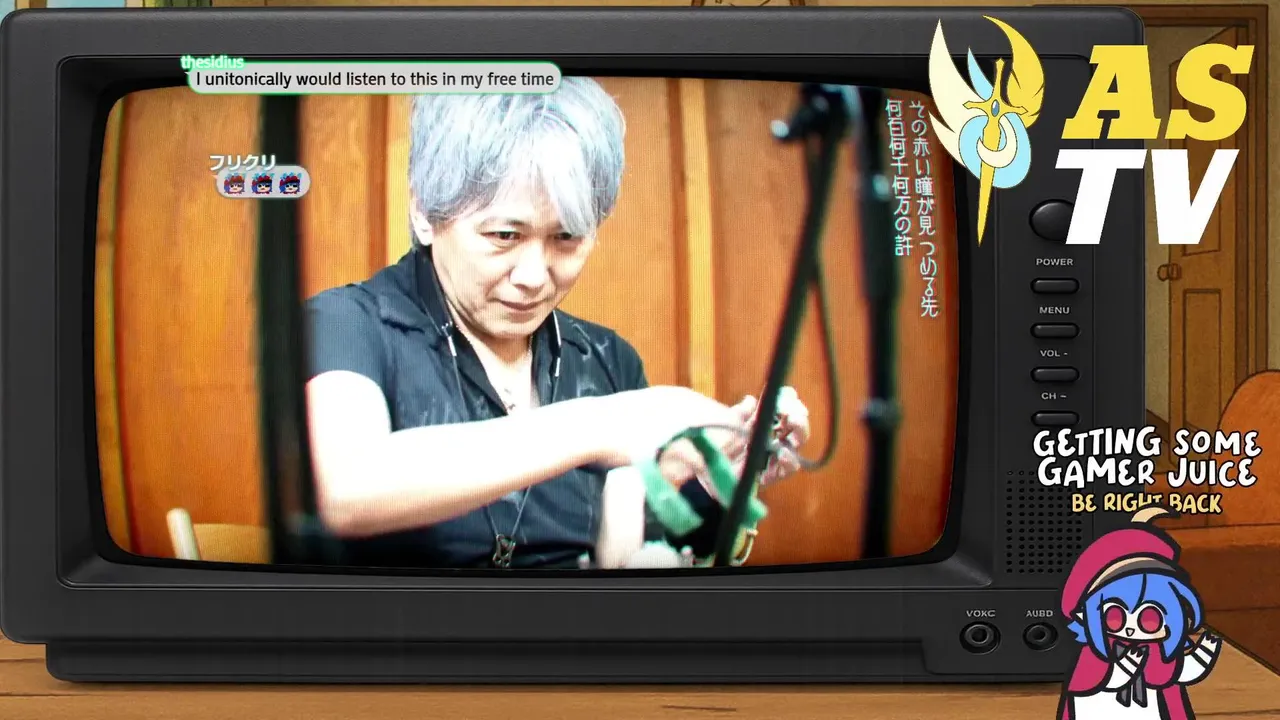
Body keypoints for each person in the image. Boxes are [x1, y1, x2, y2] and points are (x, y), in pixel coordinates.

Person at [304, 77, 811, 570]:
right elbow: (346, 489)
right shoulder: (346, 324)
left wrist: (720, 479)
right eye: (504, 235)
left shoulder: (607, 359)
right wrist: (599, 425)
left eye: (566, 238)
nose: (533, 276)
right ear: (424, 212)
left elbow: (644, 539)